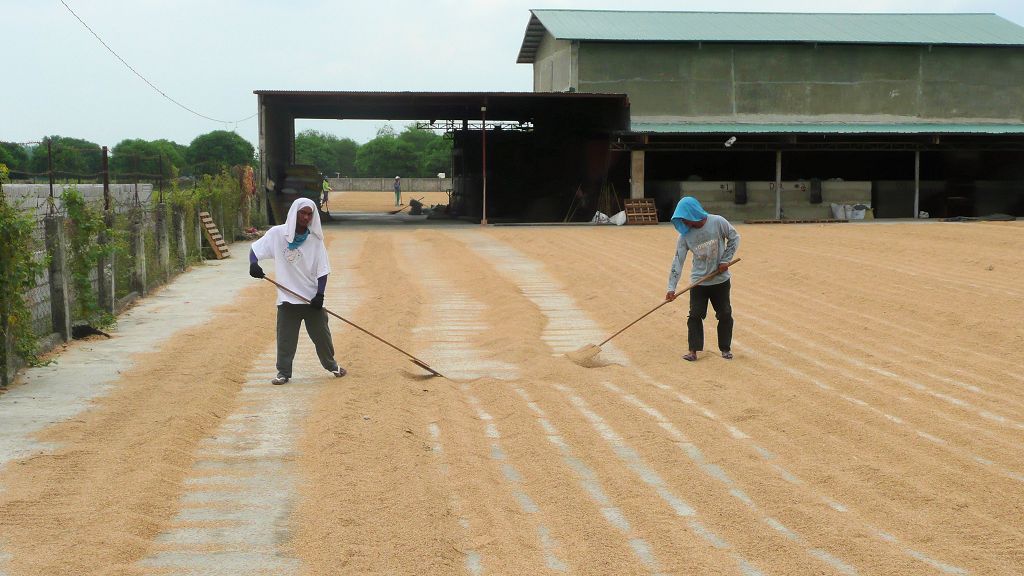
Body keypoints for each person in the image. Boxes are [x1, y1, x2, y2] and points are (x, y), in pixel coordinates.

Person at [248, 197, 346, 384]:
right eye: (303, 213)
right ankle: (283, 373)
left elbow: (322, 271)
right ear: (295, 213)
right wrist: (254, 265)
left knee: (322, 337)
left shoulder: (315, 241)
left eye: (309, 214)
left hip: (311, 300)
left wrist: (320, 295)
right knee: (285, 339)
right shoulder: (277, 234)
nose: (306, 217)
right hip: (287, 300)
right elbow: (255, 250)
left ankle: (332, 366)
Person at [665, 196, 740, 362]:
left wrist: (725, 260)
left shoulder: (718, 222)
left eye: (685, 218)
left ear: (693, 213)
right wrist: (671, 287)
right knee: (695, 315)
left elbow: (735, 237)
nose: (684, 223)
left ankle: (725, 348)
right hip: (699, 282)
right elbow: (678, 260)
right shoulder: (684, 236)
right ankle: (693, 350)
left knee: (725, 313)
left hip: (720, 280)